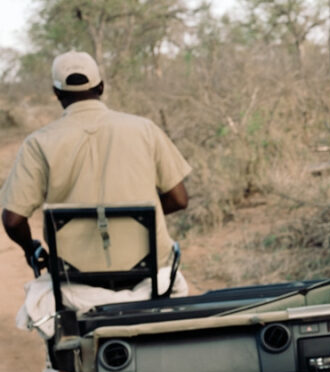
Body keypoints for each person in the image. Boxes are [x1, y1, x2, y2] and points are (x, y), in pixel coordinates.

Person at [0, 51, 193, 336]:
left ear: (56, 93)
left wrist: (33, 250)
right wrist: (136, 217)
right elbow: (179, 199)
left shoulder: (38, 143)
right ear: (101, 87)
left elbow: (13, 220)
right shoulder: (144, 130)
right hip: (149, 277)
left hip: (75, 283)